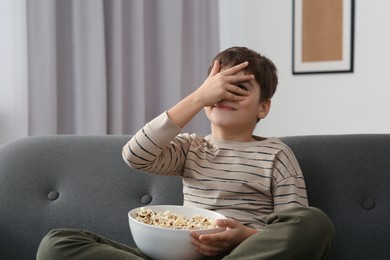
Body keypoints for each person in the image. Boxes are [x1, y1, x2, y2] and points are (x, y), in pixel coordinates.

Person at [37, 46, 335, 260]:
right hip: (178, 253)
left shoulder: (276, 154)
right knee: (58, 243)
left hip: (245, 252)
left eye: (240, 88)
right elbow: (135, 155)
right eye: (218, 86)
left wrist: (243, 236)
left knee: (314, 224)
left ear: (263, 107)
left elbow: (294, 227)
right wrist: (195, 98)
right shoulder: (191, 147)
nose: (225, 95)